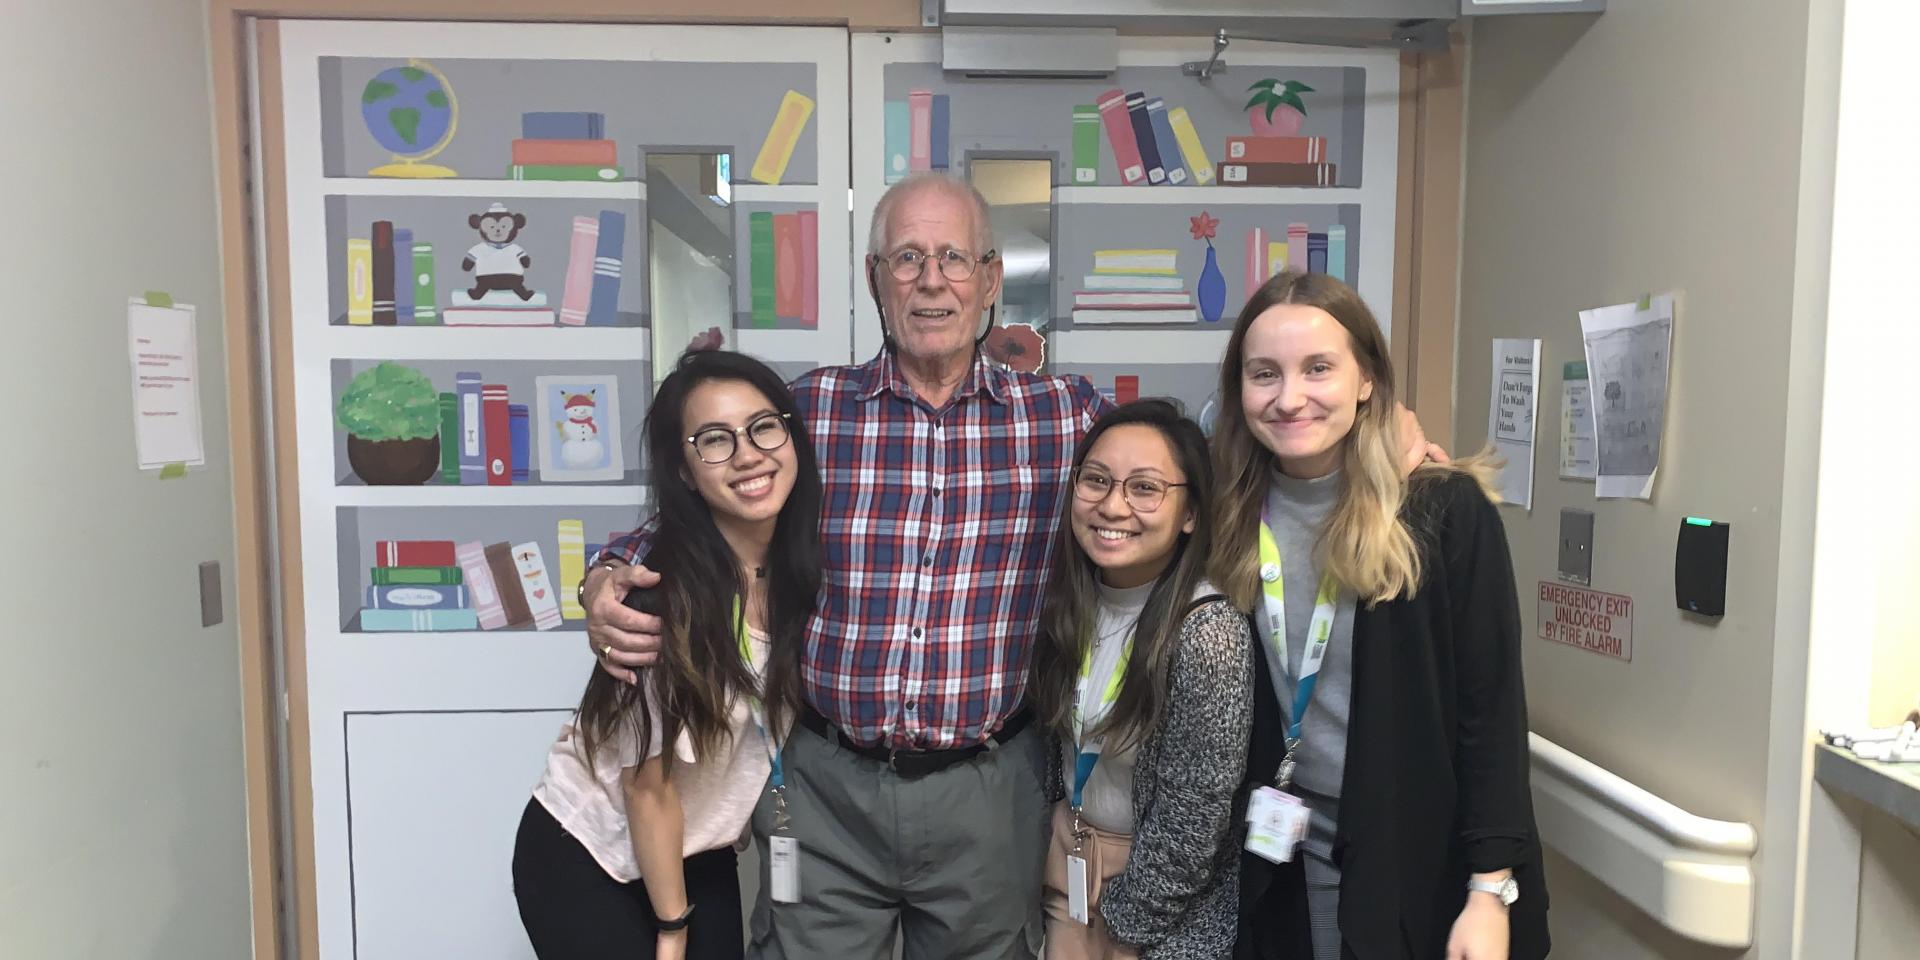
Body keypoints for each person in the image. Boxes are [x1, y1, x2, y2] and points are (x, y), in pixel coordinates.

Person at [581, 173, 1441, 959]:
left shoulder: (1066, 420)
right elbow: (698, 504)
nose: (931, 279)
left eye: (954, 257)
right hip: (823, 785)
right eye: (908, 258)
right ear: (876, 277)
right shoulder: (811, 412)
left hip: (989, 793)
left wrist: (1377, 442)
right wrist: (608, 573)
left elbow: (1192, 473)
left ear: (990, 281)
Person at [1212, 273, 1549, 960]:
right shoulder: (1224, 518)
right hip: (1285, 862)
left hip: (1423, 867)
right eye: (1264, 374)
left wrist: (1490, 892)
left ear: (1367, 379)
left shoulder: (1439, 512)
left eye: (1318, 369)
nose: (1289, 397)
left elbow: (1489, 714)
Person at [512, 350, 821, 960]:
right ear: (684, 470)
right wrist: (673, 930)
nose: (748, 454)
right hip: (593, 850)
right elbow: (646, 789)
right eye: (714, 440)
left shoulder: (802, 571)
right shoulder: (661, 595)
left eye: (763, 426)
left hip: (696, 848)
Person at [1027, 400, 1252, 960]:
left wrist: (1127, 923)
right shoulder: (1067, 605)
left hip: (1153, 913)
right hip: (1069, 880)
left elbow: (1194, 815)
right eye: (1096, 480)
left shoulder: (1207, 630)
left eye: (1145, 488)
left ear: (1191, 513)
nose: (1113, 505)